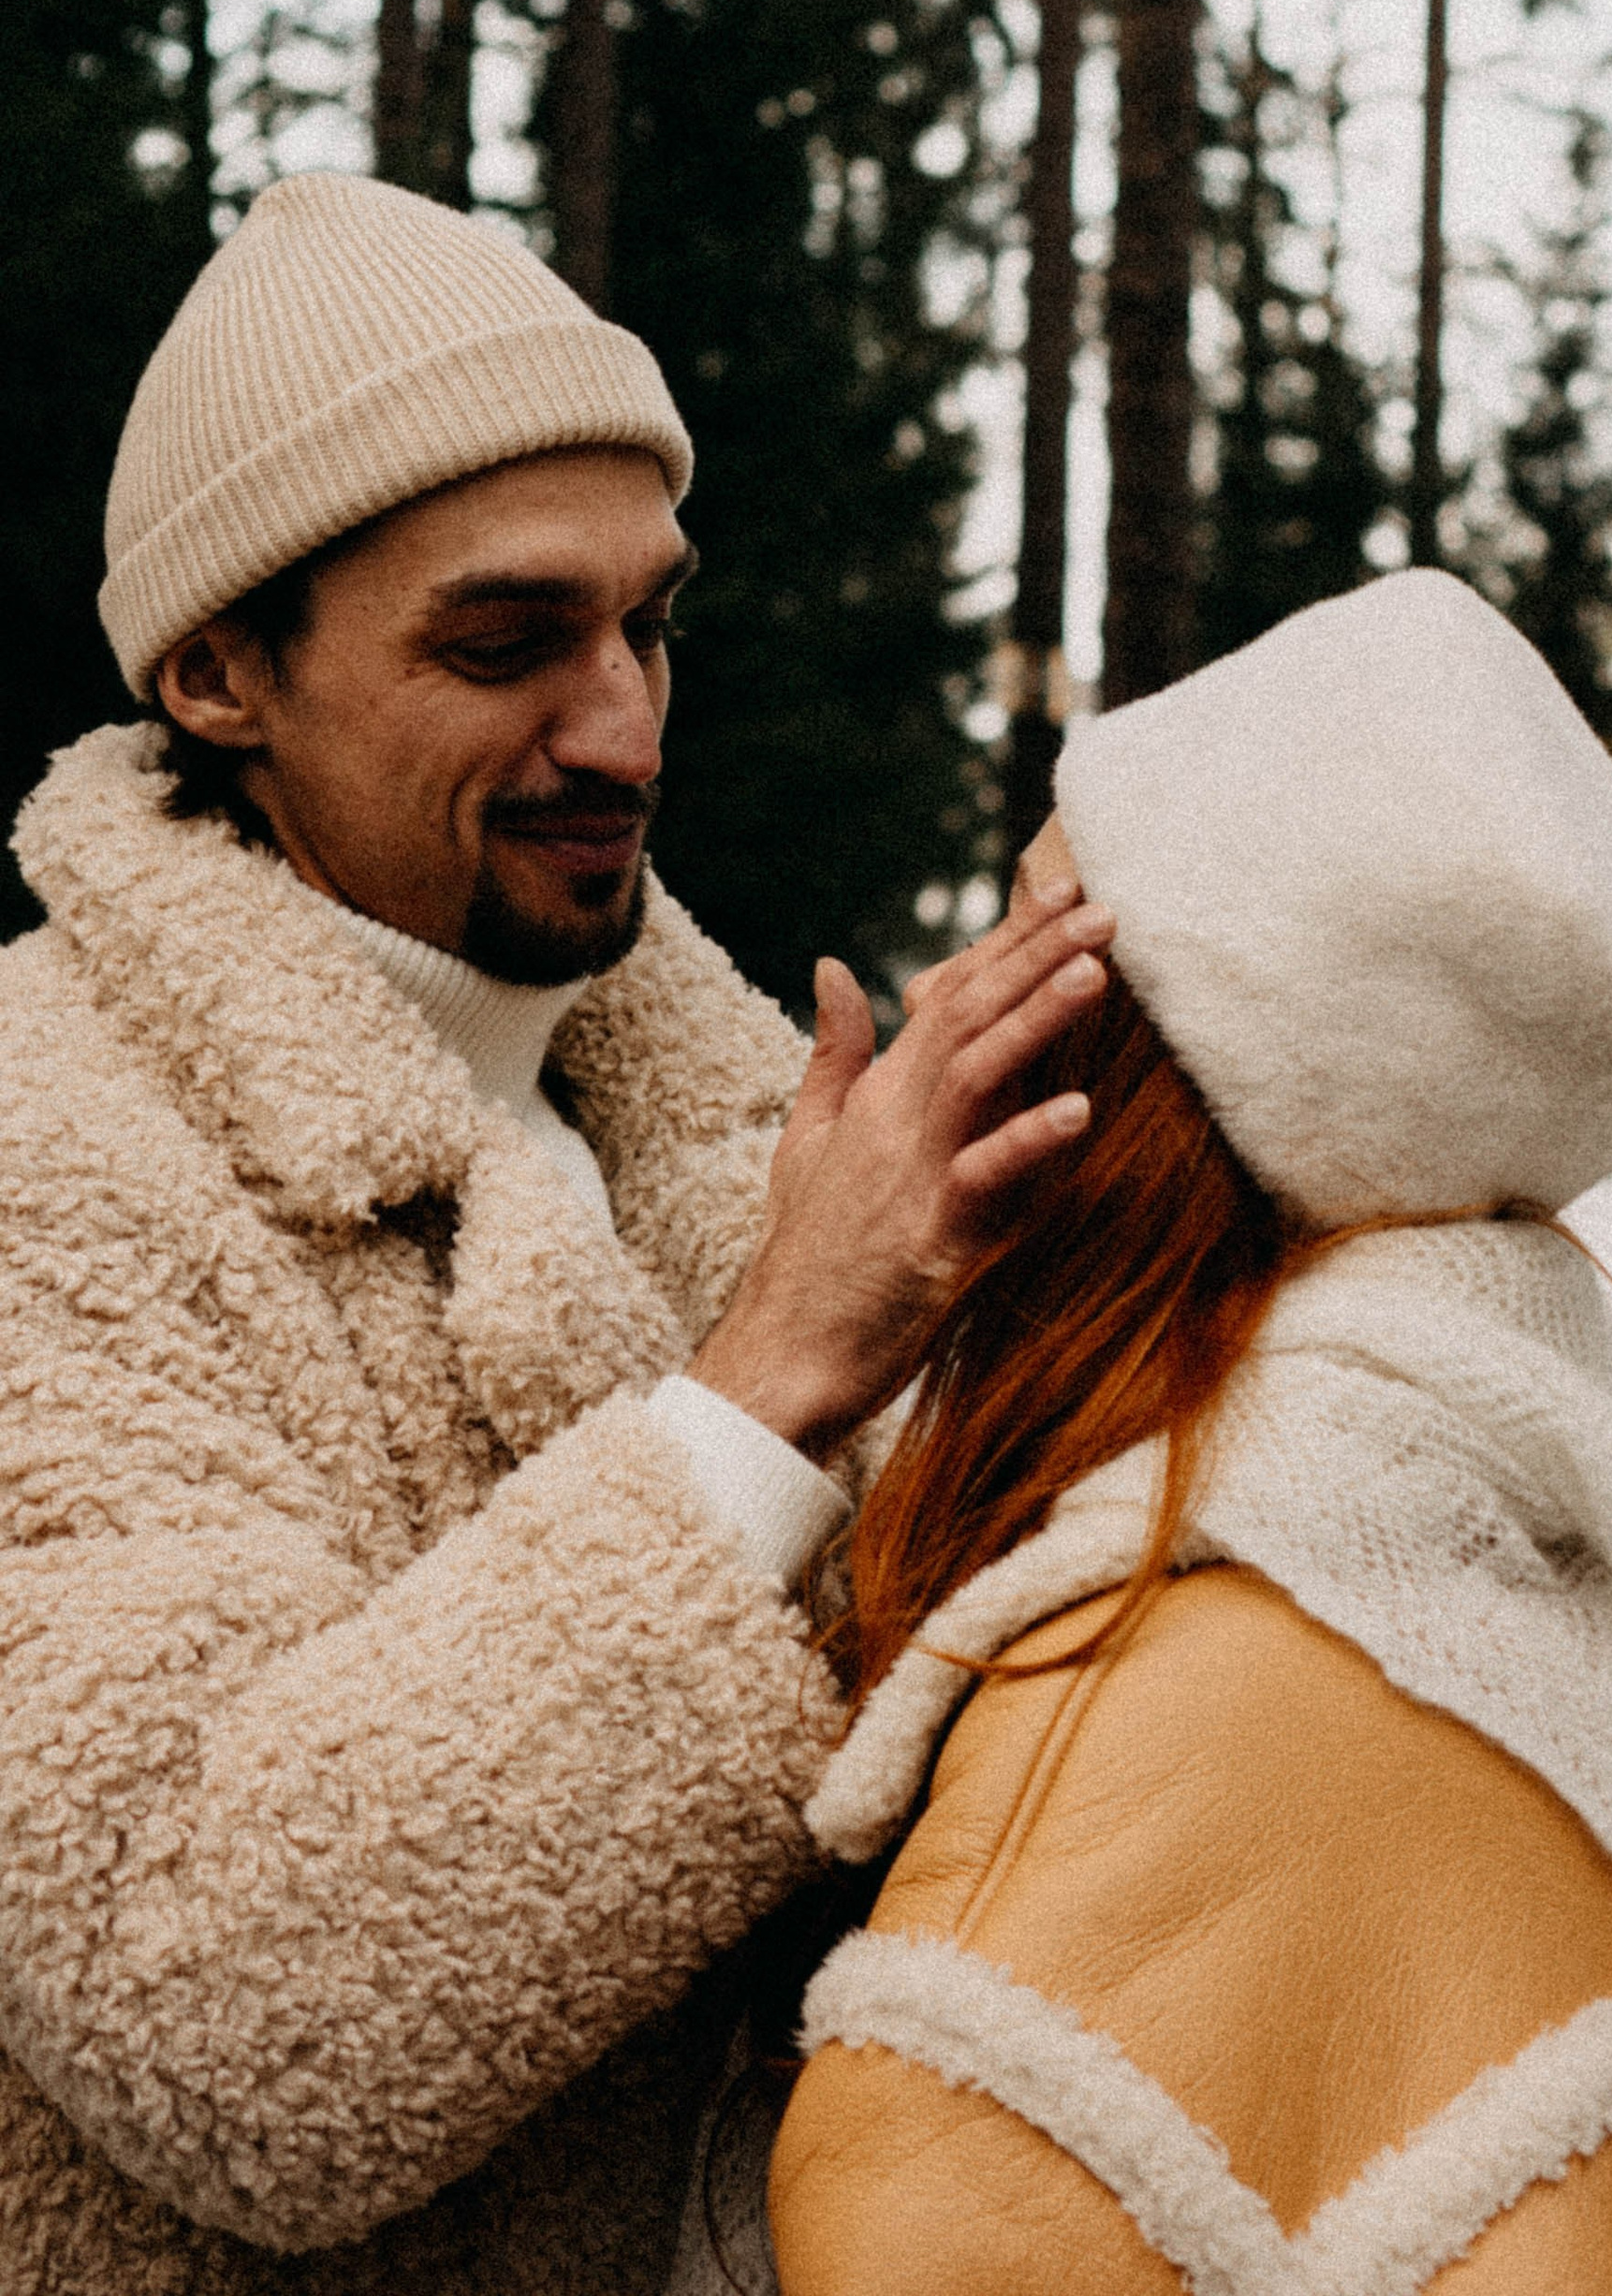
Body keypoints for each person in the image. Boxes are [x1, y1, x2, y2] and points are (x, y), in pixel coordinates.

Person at [0, 171, 1108, 2295]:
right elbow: (227, 2021)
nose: (623, 728)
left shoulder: (736, 1128)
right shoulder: (45, 1154)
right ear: (221, 672)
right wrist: (777, 1377)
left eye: (651, 624)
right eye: (506, 642)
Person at [768, 570, 1612, 2296]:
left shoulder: (1128, 1716)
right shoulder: (1559, 1570)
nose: (951, 991)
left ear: (1131, 1088)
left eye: (1031, 926)